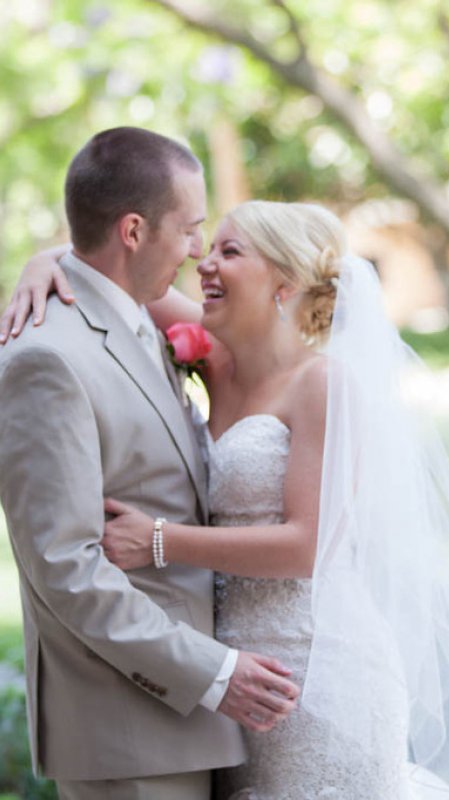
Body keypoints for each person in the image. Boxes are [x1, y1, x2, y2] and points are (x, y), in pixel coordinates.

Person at [5, 200, 449, 799]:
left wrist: (159, 540)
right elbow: (112, 266)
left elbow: (305, 544)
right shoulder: (215, 360)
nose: (202, 264)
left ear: (283, 283)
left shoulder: (324, 384)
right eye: (208, 248)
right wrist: (41, 263)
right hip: (231, 677)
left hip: (319, 676)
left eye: (228, 252)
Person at [0, 129, 300, 800]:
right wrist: (215, 674)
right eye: (191, 229)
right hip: (130, 737)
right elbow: (64, 567)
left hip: (204, 720)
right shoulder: (46, 358)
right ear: (133, 231)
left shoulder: (138, 316)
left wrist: (48, 255)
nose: (198, 252)